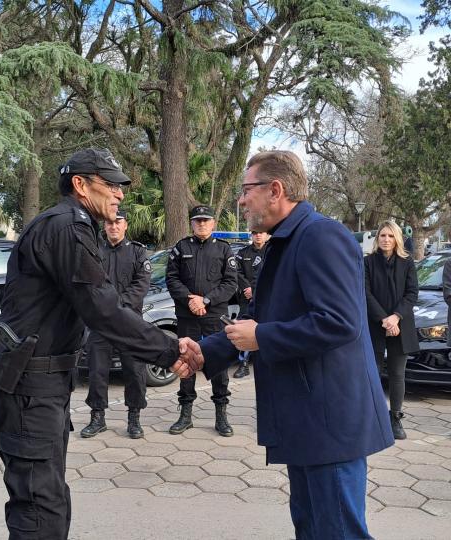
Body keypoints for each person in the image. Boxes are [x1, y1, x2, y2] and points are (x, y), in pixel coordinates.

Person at [0, 147, 202, 539]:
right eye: (111, 185)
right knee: (39, 506)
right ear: (80, 184)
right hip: (30, 385)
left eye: (122, 187)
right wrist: (170, 350)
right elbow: (101, 308)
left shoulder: (72, 224)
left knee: (48, 495)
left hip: (40, 381)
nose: (120, 194)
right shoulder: (67, 226)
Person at [198, 150, 393, 539]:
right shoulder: (284, 240)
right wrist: (204, 351)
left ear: (275, 190)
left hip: (329, 423)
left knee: (337, 531)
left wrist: (262, 337)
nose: (241, 200)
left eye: (246, 189)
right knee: (311, 528)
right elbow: (256, 320)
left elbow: (339, 323)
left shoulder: (322, 235)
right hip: (307, 420)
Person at [165, 205, 238, 436]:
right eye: (197, 220)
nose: (202, 224)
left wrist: (205, 300)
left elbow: (230, 283)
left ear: (213, 223)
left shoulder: (224, 250)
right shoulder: (181, 247)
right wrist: (190, 300)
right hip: (188, 316)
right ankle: (185, 415)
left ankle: (221, 417)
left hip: (214, 316)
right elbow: (172, 278)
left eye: (206, 220)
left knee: (218, 363)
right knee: (186, 361)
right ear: (192, 223)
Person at [81, 210, 151, 439]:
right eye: (109, 223)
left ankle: (134, 418)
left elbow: (141, 285)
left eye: (118, 222)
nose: (113, 226)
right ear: (105, 227)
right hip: (100, 323)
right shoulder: (95, 251)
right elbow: (88, 284)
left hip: (129, 322)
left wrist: (117, 307)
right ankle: (97, 417)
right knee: (97, 371)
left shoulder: (138, 252)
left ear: (125, 226)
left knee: (135, 371)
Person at [364, 221, 420, 440]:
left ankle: (395, 418)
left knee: (397, 374)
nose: (386, 239)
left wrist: (396, 317)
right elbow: (364, 292)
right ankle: (373, 417)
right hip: (375, 324)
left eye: (390, 236)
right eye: (382, 236)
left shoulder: (407, 263)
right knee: (373, 373)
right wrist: (384, 319)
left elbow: (412, 293)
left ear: (397, 238)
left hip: (401, 325)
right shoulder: (367, 262)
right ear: (377, 239)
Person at [233, 230, 270, 378]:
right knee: (244, 329)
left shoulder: (272, 250)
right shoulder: (243, 253)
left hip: (266, 298)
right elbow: (236, 272)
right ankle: (243, 364)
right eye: (255, 233)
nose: (258, 235)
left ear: (266, 234)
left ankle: (267, 362)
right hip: (246, 299)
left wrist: (254, 290)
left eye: (261, 233)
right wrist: (246, 288)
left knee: (265, 328)